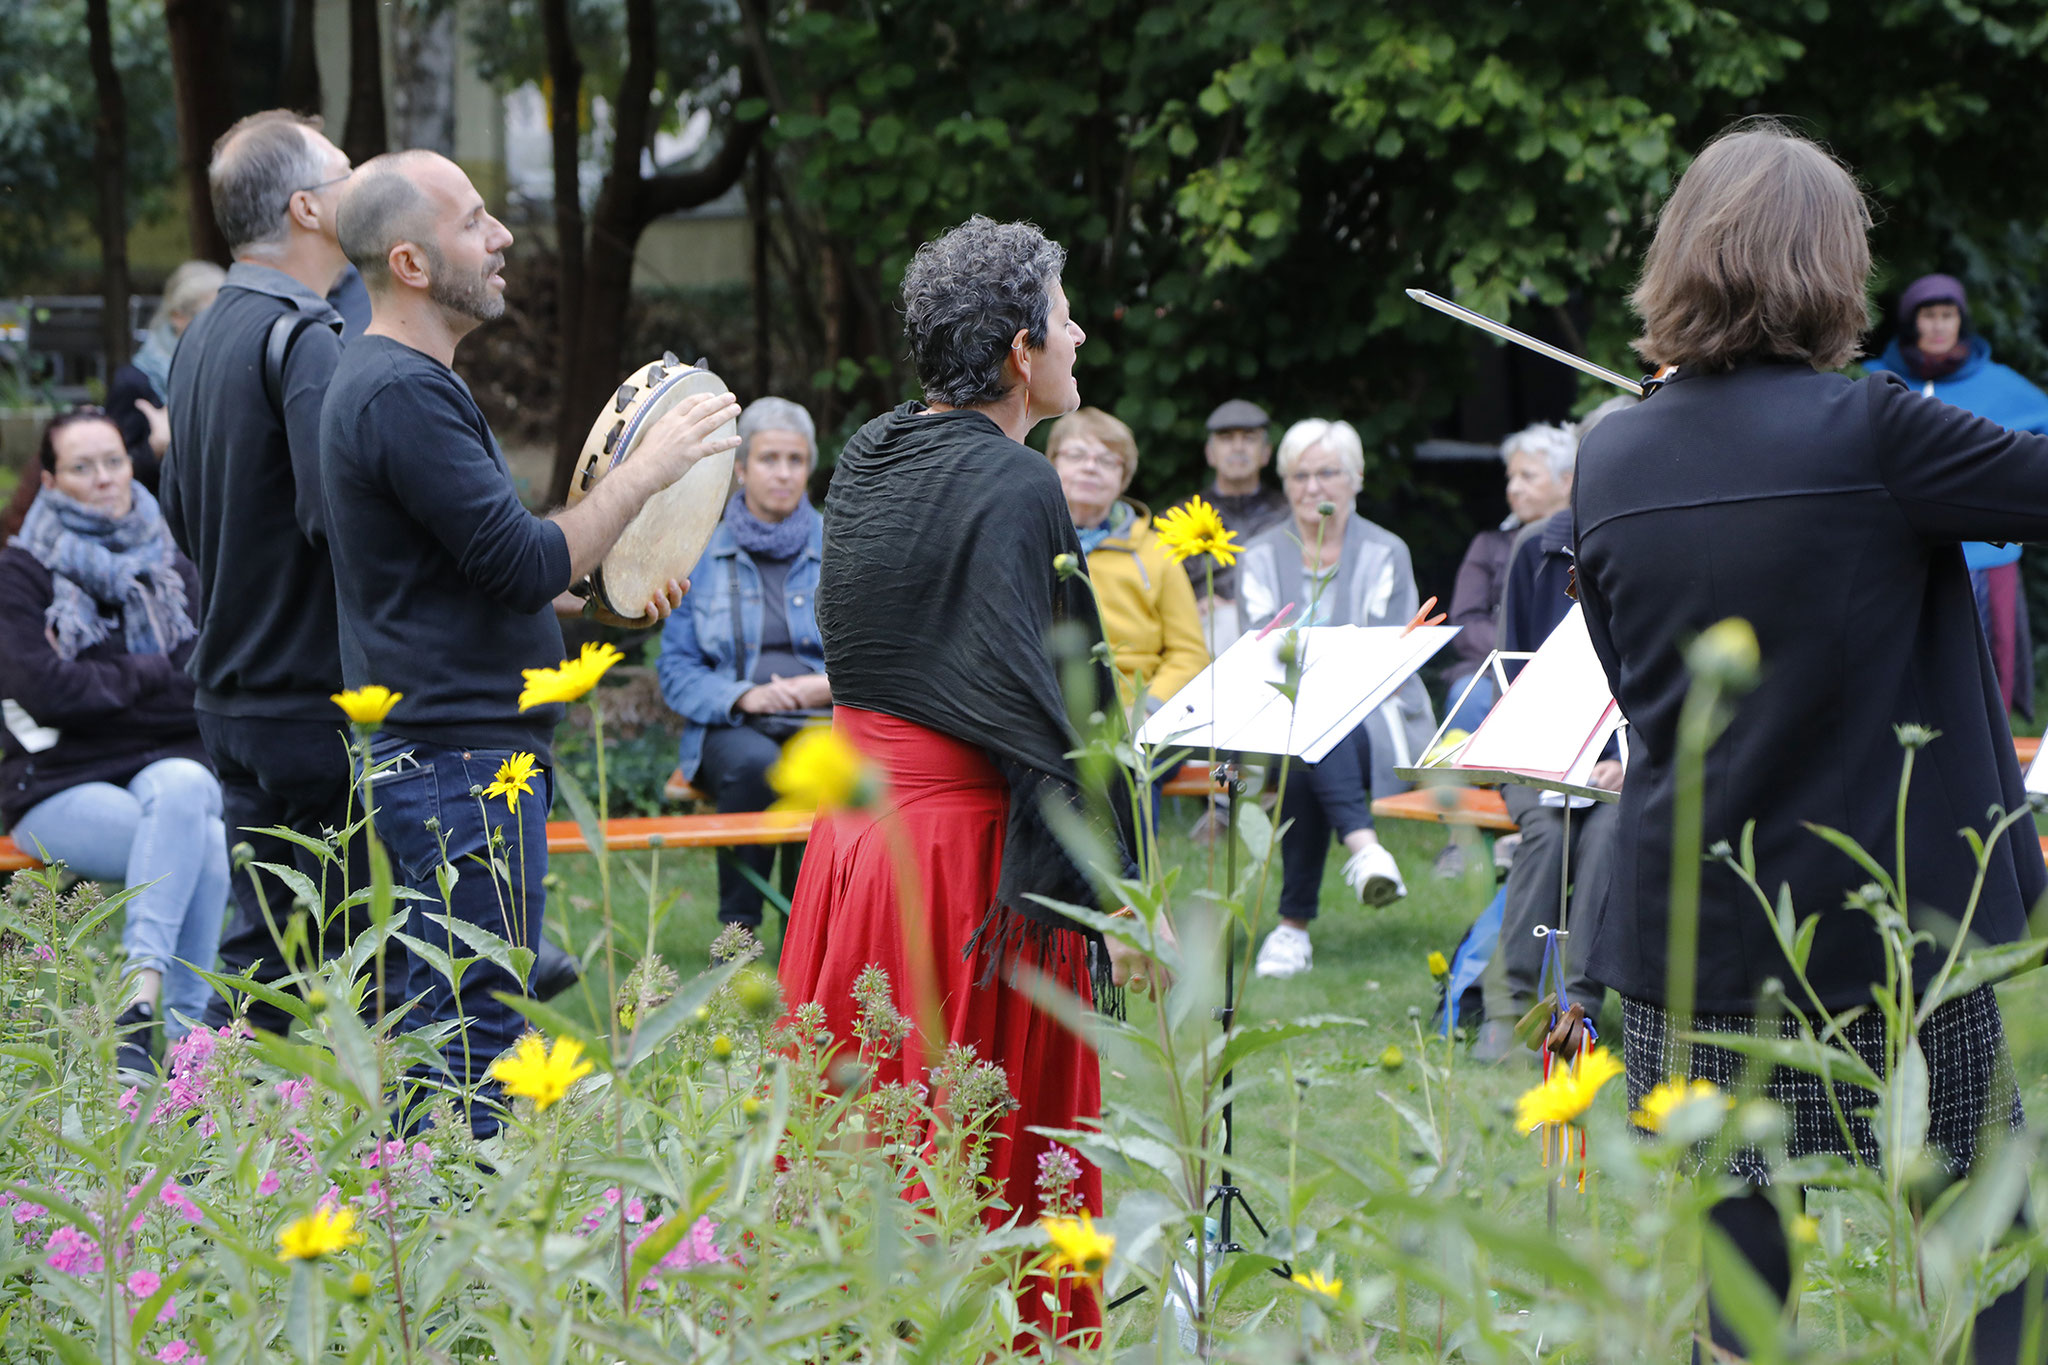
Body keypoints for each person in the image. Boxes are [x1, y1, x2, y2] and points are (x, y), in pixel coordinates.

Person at [1572, 122, 2043, 1360]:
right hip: (1886, 928)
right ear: (1828, 267)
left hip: (1696, 922)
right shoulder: (1875, 431)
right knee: (1987, 1237)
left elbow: (1631, 681)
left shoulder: (1608, 454)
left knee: (1734, 1266)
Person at [779, 215, 1153, 1346]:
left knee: (869, 1123)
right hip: (959, 862)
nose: (1078, 330)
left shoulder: (870, 453)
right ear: (1018, 352)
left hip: (857, 849)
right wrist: (1117, 875)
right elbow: (1059, 703)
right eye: (1063, 308)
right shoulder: (1012, 483)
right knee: (972, 1143)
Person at [322, 150, 738, 1131]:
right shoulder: (401, 393)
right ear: (413, 263)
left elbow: (476, 575)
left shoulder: (400, 383)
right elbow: (518, 563)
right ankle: (440, 1250)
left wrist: (609, 596)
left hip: (454, 758)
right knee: (466, 1025)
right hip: (456, 767)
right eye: (473, 221)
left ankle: (434, 1242)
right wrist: (644, 473)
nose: (502, 235)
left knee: (459, 1014)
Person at [160, 110, 369, 1035]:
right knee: (371, 953)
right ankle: (418, 1158)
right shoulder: (305, 335)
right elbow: (343, 521)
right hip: (310, 704)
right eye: (346, 171)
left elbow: (177, 508)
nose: (363, 181)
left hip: (233, 693)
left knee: (268, 958)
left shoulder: (202, 334)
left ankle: (191, 1137)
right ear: (308, 207)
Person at [0, 409, 224, 1071]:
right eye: (81, 466)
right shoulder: (21, 573)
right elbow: (42, 693)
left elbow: (208, 679)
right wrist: (158, 673)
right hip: (57, 786)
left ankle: (139, 1005)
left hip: (168, 775)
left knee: (187, 793)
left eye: (114, 461)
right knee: (201, 839)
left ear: (133, 464)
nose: (103, 478)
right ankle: (191, 1053)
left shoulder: (173, 559)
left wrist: (102, 682)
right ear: (50, 479)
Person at [1237, 418, 1432, 979]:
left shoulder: (1386, 550)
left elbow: (1388, 654)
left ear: (1356, 479)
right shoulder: (1259, 554)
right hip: (1282, 711)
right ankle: (1365, 849)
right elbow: (1260, 651)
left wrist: (1322, 688)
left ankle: (1291, 929)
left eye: (1328, 473)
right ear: (1285, 482)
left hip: (1379, 710)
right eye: (1300, 475)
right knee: (1310, 733)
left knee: (1315, 737)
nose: (1313, 487)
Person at [1470, 434, 1622, 1063]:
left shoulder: (1654, 543)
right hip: (1536, 749)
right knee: (1549, 835)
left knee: (1610, 835)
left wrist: (1627, 760)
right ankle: (1505, 1009)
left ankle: (1574, 1010)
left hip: (1621, 759)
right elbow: (1516, 671)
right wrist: (1550, 755)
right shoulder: (1535, 548)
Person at [656, 397, 829, 938]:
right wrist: (741, 697)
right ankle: (739, 935)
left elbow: (883, 655)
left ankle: (809, 937)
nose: (783, 473)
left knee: (821, 776)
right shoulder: (700, 549)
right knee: (756, 765)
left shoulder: (842, 545)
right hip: (732, 726)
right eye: (769, 459)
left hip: (821, 719)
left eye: (795, 460)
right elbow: (676, 669)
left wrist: (822, 686)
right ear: (741, 468)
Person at [1867, 273, 2048, 720]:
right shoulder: (1876, 385)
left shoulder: (2003, 385)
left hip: (1987, 563)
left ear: (1960, 321)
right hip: (1901, 559)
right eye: (1929, 316)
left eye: (1947, 315)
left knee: (1988, 681)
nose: (1939, 326)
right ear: (1913, 324)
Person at [1044, 406, 1208, 724]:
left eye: (1107, 460)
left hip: (1134, 715)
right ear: (1052, 462)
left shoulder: (1157, 551)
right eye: (1077, 455)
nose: (1090, 467)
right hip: (1047, 713)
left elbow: (1189, 653)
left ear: (1124, 478)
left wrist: (1147, 709)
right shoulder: (1028, 538)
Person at [1439, 423, 1577, 735]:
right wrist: (1519, 653)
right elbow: (1465, 622)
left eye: (1527, 476)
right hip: (1492, 673)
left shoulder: (1588, 540)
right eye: (1511, 477)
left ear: (1566, 481)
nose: (1513, 488)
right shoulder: (1488, 545)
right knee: (1468, 696)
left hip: (1576, 672)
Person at [1167, 399, 1289, 649]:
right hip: (1204, 633)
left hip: (1278, 626)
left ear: (1266, 453)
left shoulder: (1289, 513)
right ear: (1210, 453)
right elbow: (1161, 583)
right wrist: (1198, 601)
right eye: (1226, 438)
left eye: (1249, 438)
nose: (1238, 447)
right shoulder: (1181, 516)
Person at [108, 261, 224, 494]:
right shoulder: (134, 383)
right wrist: (156, 448)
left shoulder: (227, 373)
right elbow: (111, 476)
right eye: (214, 317)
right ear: (178, 317)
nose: (224, 326)